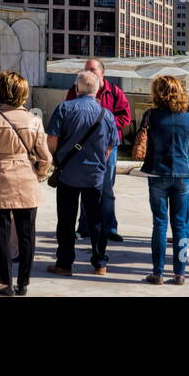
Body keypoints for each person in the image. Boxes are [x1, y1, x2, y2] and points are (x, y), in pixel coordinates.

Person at [0, 70, 50, 296]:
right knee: (27, 234)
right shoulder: (34, 121)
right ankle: (24, 283)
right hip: (26, 178)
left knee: (0, 235)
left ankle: (5, 282)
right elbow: (45, 156)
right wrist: (40, 174)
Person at [46, 70, 118, 277]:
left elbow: (52, 139)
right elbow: (111, 146)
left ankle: (65, 263)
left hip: (68, 173)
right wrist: (99, 161)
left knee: (66, 220)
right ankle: (100, 262)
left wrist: (57, 159)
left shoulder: (64, 108)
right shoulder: (106, 115)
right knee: (97, 220)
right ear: (97, 90)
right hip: (94, 175)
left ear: (77, 88)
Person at [65, 58, 131, 244]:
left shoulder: (115, 92)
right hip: (82, 148)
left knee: (107, 190)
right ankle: (84, 228)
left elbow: (125, 117)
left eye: (92, 70)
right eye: (86, 70)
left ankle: (110, 228)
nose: (88, 73)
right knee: (84, 187)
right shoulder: (74, 91)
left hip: (107, 148)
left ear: (102, 72)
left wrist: (105, 125)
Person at [140, 76, 189, 285]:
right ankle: (180, 272)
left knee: (160, 224)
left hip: (158, 172)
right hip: (182, 173)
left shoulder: (151, 115)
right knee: (181, 225)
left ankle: (158, 272)